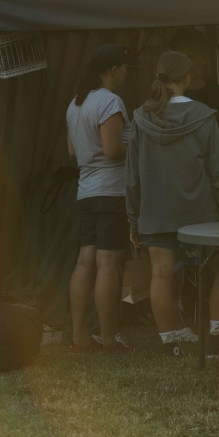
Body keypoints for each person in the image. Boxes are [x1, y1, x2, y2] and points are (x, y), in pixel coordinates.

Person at [125, 50, 219, 356]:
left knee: (160, 275)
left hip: (156, 211)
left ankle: (170, 342)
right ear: (188, 78)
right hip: (202, 213)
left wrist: (134, 218)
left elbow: (132, 176)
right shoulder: (205, 116)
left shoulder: (140, 118)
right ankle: (216, 340)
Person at [66, 43, 135, 354]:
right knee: (108, 264)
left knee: (85, 262)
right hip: (110, 192)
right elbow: (112, 150)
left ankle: (80, 337)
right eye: (124, 67)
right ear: (112, 70)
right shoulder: (110, 101)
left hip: (86, 192)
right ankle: (109, 340)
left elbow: (72, 152)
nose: (126, 72)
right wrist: (137, 148)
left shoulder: (75, 103)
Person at [170, 29, 219, 170]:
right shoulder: (169, 95)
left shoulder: (217, 93)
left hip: (210, 167)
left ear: (204, 57)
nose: (186, 64)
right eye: (181, 58)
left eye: (191, 57)